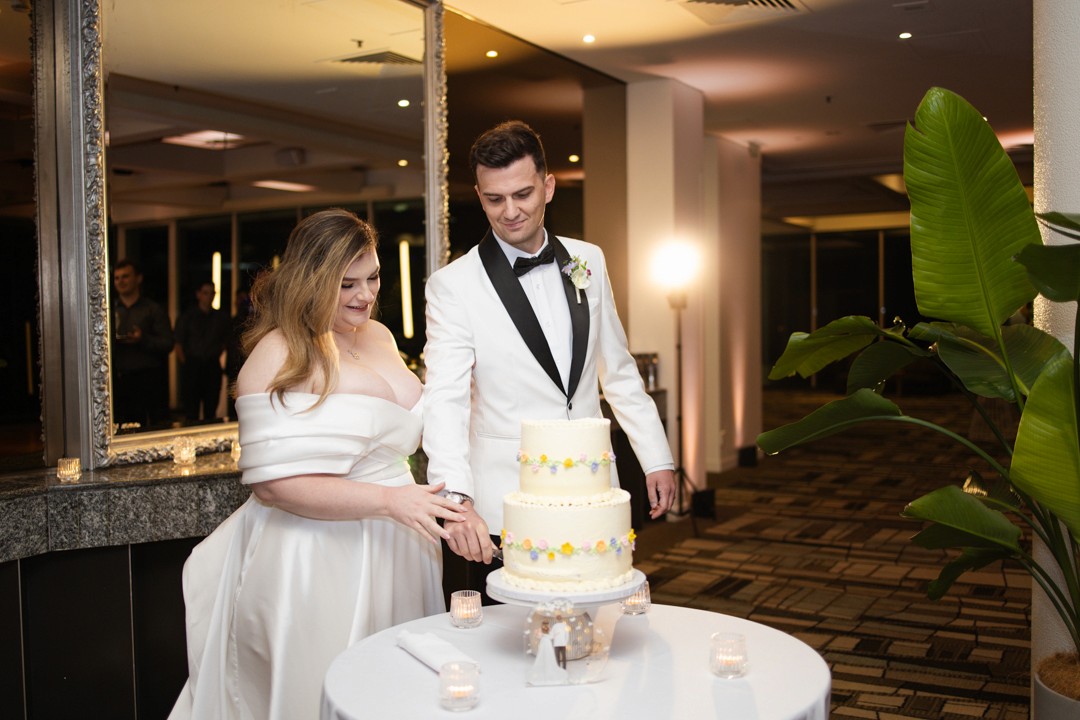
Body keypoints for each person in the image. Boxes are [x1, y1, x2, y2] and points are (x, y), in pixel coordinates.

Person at [168, 208, 466, 720]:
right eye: (346, 284)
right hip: (319, 553)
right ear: (311, 280)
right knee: (321, 687)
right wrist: (390, 500)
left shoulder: (381, 336)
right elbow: (273, 486)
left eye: (372, 277)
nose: (365, 295)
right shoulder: (278, 351)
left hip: (400, 542)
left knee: (396, 691)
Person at [422, 120, 676, 601]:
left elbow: (618, 371)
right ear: (479, 195)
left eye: (523, 194)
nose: (510, 211)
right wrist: (456, 498)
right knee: (511, 643)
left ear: (549, 185)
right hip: (507, 502)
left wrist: (656, 457)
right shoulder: (453, 285)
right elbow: (445, 400)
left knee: (599, 620)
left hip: (591, 490)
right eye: (495, 199)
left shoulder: (589, 261)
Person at [111, 258, 173, 427]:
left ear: (138, 278)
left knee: (150, 428)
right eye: (117, 278)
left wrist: (142, 339)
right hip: (118, 380)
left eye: (125, 276)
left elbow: (167, 343)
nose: (121, 281)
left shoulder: (153, 309)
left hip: (148, 379)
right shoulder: (109, 310)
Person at [173, 280, 231, 422]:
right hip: (193, 364)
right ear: (198, 294)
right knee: (191, 408)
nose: (209, 296)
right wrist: (186, 363)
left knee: (211, 407)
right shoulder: (188, 317)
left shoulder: (221, 317)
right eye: (206, 293)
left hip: (212, 364)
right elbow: (178, 343)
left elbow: (226, 340)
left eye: (212, 293)